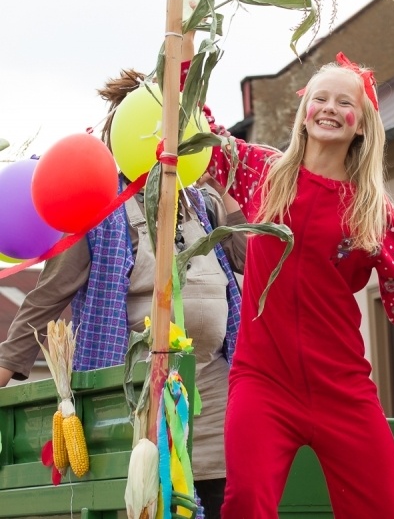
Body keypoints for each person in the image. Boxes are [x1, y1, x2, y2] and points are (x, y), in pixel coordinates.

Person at [219, 53, 394, 519]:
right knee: (246, 502)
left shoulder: (372, 211)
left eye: (344, 103)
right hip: (263, 383)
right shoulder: (261, 173)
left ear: (362, 125)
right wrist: (185, 60)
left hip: (342, 390)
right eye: (321, 98)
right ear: (304, 112)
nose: (330, 108)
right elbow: (200, 135)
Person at [0, 34, 246, 519]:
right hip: (137, 394)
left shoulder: (204, 202)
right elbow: (49, 295)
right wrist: (6, 366)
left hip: (213, 393)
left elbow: (247, 258)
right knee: (153, 501)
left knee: (216, 499)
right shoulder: (101, 210)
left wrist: (222, 182)